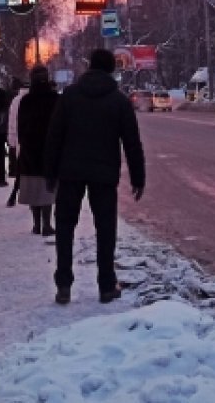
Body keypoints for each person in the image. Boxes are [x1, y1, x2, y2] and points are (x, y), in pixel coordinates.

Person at [45, 48, 145, 305]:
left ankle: (64, 285)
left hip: (70, 172)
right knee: (106, 229)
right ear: (111, 69)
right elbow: (131, 142)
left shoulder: (69, 96)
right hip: (104, 173)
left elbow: (54, 137)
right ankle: (106, 285)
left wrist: (50, 172)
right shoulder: (119, 101)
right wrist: (138, 176)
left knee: (65, 227)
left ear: (89, 67)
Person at [17, 66, 59, 236]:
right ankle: (47, 224)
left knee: (33, 187)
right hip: (50, 149)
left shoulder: (26, 100)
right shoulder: (55, 99)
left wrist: (22, 145)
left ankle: (36, 224)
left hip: (30, 150)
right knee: (48, 188)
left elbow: (20, 127)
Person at [4, 77, 27, 207]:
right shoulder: (36, 99)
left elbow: (12, 122)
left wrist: (12, 141)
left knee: (21, 167)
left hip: (21, 140)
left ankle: (14, 195)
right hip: (39, 141)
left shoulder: (16, 100)